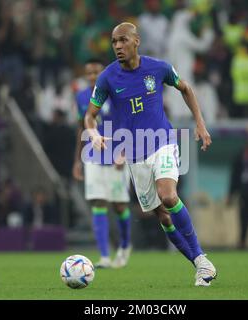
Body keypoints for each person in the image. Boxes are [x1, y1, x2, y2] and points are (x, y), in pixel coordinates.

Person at [84, 22, 216, 287]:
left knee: (168, 196)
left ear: (136, 41)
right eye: (114, 42)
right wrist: (94, 133)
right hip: (135, 154)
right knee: (163, 216)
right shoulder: (108, 77)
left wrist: (200, 123)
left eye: (123, 40)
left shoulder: (159, 68)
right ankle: (198, 264)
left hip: (163, 142)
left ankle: (201, 258)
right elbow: (90, 115)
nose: (118, 46)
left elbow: (186, 89)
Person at [72, 58, 132, 269]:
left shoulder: (116, 92)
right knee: (98, 202)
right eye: (88, 72)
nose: (92, 76)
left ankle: (125, 246)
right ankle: (105, 256)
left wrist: (124, 151)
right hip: (92, 155)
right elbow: (82, 127)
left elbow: (128, 122)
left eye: (96, 72)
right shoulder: (81, 96)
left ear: (103, 73)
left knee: (119, 205)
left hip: (116, 154)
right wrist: (77, 161)